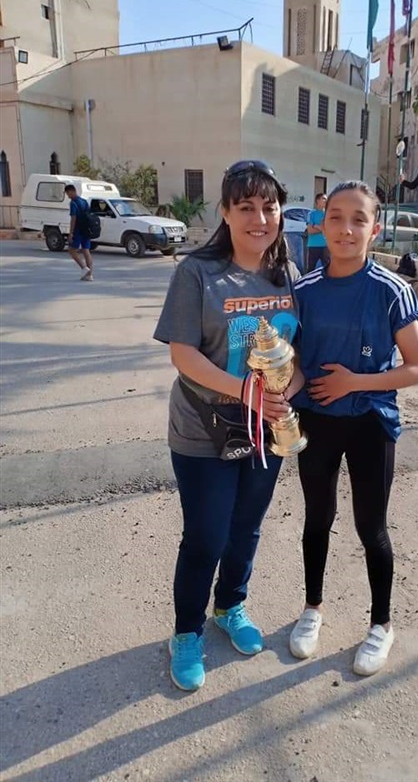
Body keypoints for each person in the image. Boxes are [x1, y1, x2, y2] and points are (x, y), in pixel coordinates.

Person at [153, 160, 303, 692]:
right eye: (246, 207)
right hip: (204, 430)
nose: (259, 219)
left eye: (269, 207)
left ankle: (230, 606)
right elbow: (183, 354)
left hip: (266, 431)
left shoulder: (288, 273)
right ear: (225, 212)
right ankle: (187, 632)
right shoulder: (197, 272)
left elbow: (297, 352)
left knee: (246, 527)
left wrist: (287, 394)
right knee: (206, 536)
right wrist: (248, 392)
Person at [289, 180, 418, 676]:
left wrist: (354, 382)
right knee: (316, 519)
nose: (346, 229)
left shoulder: (392, 290)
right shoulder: (302, 291)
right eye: (336, 218)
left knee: (371, 527)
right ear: (321, 225)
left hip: (371, 423)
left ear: (375, 228)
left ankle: (381, 625)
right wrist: (278, 389)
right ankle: (312, 609)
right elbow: (294, 363)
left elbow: (417, 368)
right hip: (316, 422)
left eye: (358, 219)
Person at [65, 184, 93, 281]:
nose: (68, 196)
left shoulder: (73, 203)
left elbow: (73, 218)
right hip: (86, 229)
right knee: (86, 251)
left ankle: (84, 268)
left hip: (78, 230)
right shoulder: (84, 201)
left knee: (71, 250)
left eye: (68, 193)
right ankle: (90, 275)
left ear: (72, 191)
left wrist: (71, 233)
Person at [305, 193, 328, 272]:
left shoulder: (328, 214)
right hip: (313, 245)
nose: (326, 201)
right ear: (318, 200)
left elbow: (329, 229)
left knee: (328, 269)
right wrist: (322, 228)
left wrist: (315, 225)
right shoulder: (311, 214)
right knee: (310, 269)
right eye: (324, 198)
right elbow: (310, 231)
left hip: (326, 246)